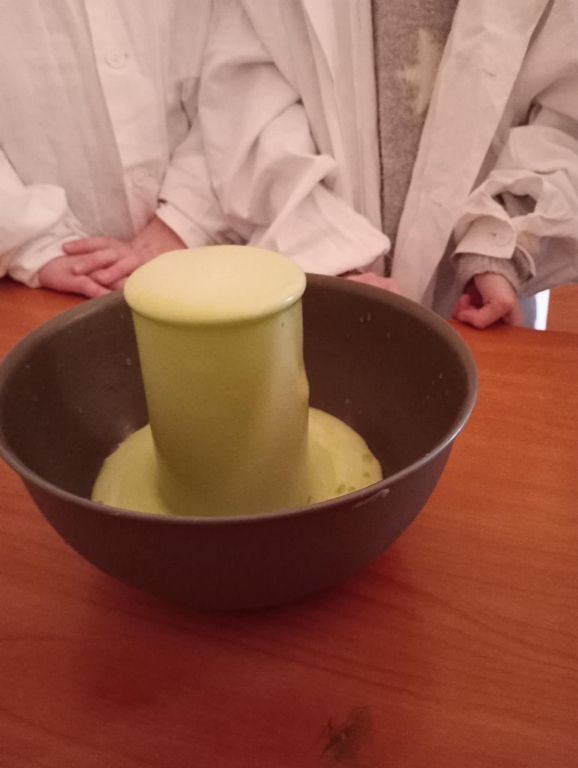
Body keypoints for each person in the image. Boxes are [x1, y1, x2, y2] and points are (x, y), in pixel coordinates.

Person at [0, 0, 389, 298]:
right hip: (31, 283)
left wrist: (182, 221)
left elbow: (247, 79)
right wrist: (29, 238)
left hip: (215, 254)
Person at [245, 0, 578, 328]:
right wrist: (328, 251)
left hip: (483, 306)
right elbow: (248, 101)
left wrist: (500, 247)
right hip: (310, 280)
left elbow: (563, 118)